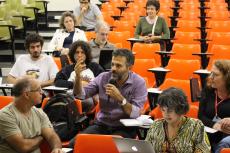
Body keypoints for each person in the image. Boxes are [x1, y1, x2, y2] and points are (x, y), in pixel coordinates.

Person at [69, 48, 148, 147]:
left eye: (118, 65)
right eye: (113, 64)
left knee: (110, 147)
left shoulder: (139, 83)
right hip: (101, 125)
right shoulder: (103, 77)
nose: (114, 68)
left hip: (124, 128)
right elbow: (81, 95)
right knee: (75, 145)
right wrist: (77, 77)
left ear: (129, 68)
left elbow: (136, 113)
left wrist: (120, 99)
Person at [0, 78, 64, 153]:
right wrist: (41, 137)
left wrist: (56, 148)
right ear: (27, 94)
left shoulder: (39, 113)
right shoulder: (5, 115)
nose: (42, 92)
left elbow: (51, 136)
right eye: (38, 90)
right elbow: (23, 147)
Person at [146, 87, 211, 153]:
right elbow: (145, 148)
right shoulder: (156, 125)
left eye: (170, 110)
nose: (166, 114)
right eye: (163, 110)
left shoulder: (196, 126)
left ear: (180, 109)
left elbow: (204, 150)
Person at [54, 40, 104, 112]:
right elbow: (57, 81)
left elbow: (104, 81)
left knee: (89, 101)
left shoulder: (95, 67)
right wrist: (75, 84)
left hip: (90, 97)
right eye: (77, 52)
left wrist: (92, 87)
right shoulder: (68, 69)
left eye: (82, 52)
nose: (79, 55)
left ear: (87, 54)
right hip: (71, 98)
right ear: (72, 54)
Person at [198, 60, 230, 153]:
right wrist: (214, 125)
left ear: (227, 77)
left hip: (227, 136)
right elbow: (200, 116)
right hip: (211, 131)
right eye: (211, 73)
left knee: (224, 143)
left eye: (215, 75)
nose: (211, 77)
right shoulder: (208, 90)